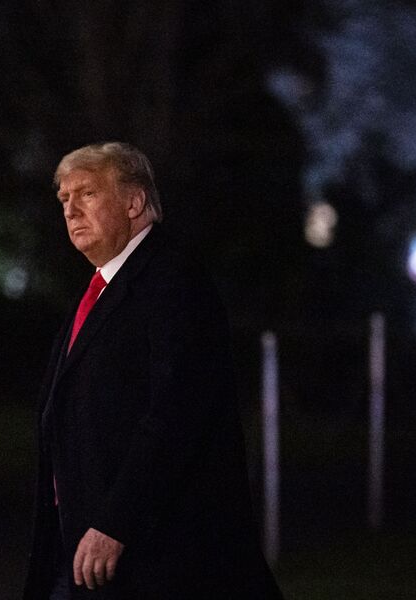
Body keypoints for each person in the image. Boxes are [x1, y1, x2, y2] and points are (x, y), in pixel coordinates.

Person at [23, 142, 284, 599]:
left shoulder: (172, 281)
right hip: (86, 550)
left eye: (86, 194)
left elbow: (176, 414)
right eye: (64, 199)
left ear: (134, 201)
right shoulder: (103, 286)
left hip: (155, 557)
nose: (70, 210)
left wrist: (115, 522)